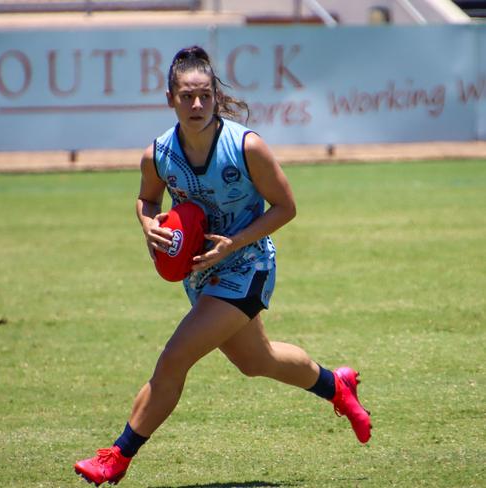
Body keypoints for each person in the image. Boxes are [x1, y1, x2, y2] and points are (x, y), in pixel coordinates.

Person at [74, 45, 372, 486]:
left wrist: (232, 242)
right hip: (202, 274)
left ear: (216, 97)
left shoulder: (245, 146)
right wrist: (146, 223)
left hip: (247, 266)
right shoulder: (159, 153)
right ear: (170, 99)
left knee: (175, 357)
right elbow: (147, 198)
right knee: (258, 360)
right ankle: (335, 385)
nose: (196, 105)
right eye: (186, 96)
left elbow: (286, 207)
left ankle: (117, 455)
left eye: (204, 96)